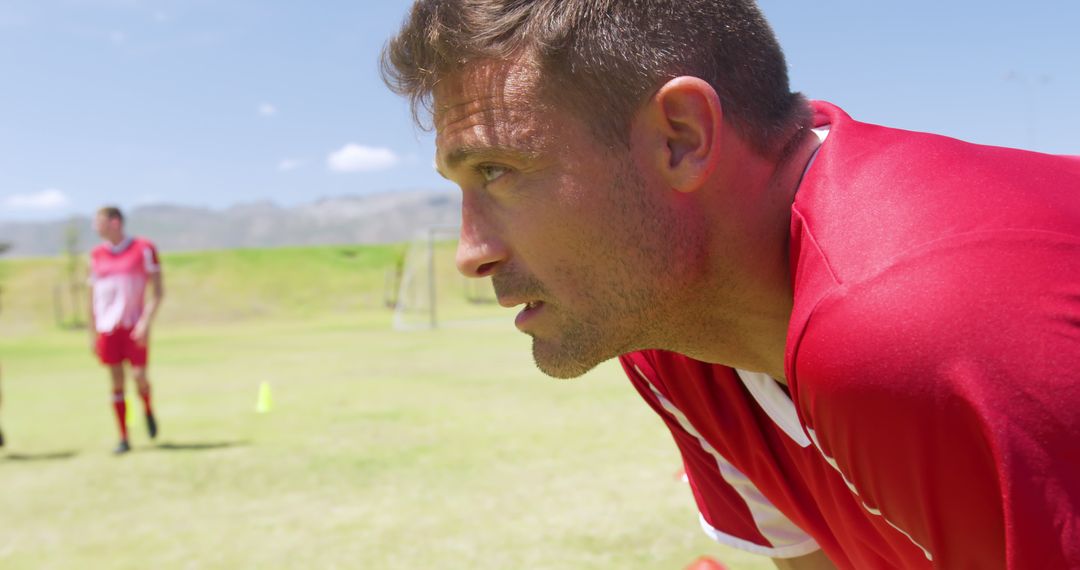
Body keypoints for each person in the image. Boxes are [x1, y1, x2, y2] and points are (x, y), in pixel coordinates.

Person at [381, 1, 1080, 568]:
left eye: (498, 171)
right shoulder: (669, 331)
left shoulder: (920, 315)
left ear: (680, 137)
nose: (469, 253)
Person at [89, 206, 164, 454]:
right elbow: (93, 298)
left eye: (98, 221)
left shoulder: (143, 248)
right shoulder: (97, 254)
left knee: (139, 376)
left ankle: (148, 408)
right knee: (116, 382)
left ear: (115, 222)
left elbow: (158, 291)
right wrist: (93, 333)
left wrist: (145, 322)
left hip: (134, 326)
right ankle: (123, 436)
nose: (95, 227)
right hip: (107, 329)